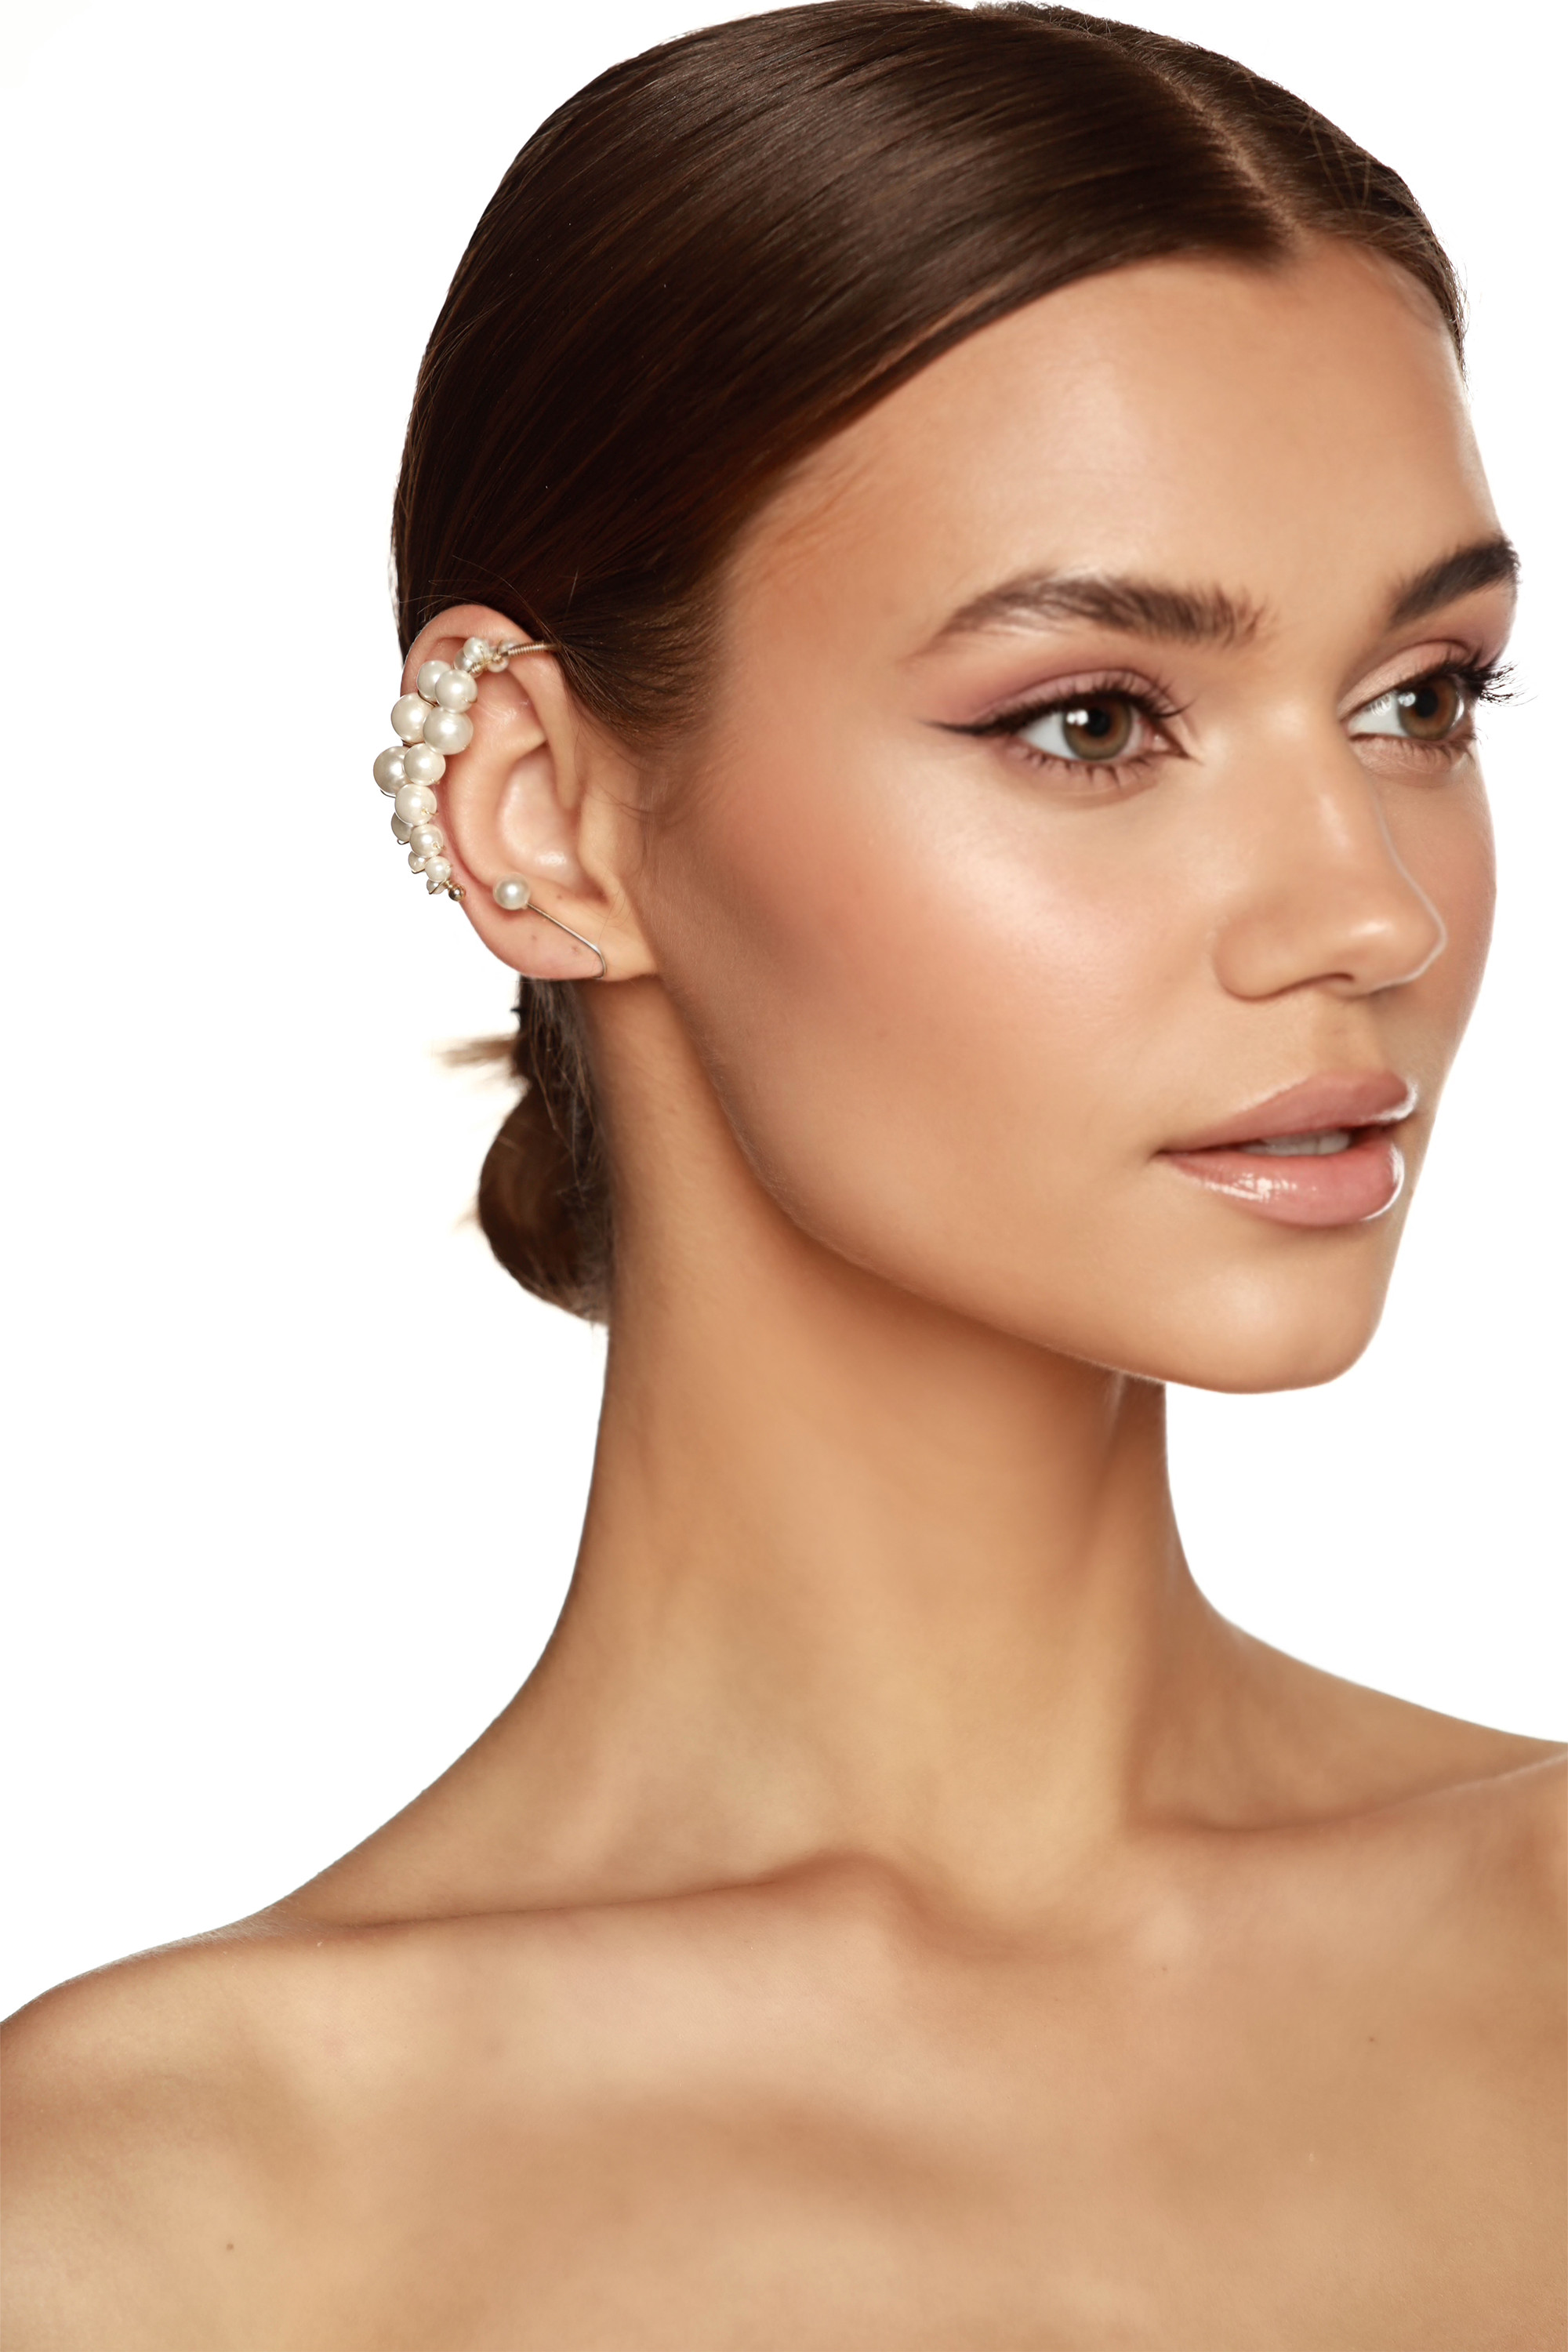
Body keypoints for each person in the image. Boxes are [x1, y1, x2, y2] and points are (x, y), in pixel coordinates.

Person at [4, 3, 1561, 2341]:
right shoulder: (160, 2220)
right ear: (542, 815)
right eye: (1091, 720)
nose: (1372, 912)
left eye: (1417, 699)